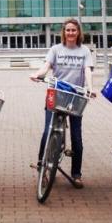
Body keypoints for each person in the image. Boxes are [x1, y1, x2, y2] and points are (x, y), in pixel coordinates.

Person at [30, 19, 94, 188]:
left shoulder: (85, 51)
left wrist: (90, 87)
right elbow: (46, 66)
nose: (71, 33)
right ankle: (41, 165)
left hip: (75, 96)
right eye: (68, 30)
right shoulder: (55, 49)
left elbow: (87, 70)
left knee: (76, 137)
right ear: (63, 32)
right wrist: (38, 74)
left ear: (79, 32)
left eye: (74, 30)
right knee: (47, 131)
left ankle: (76, 174)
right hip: (56, 93)